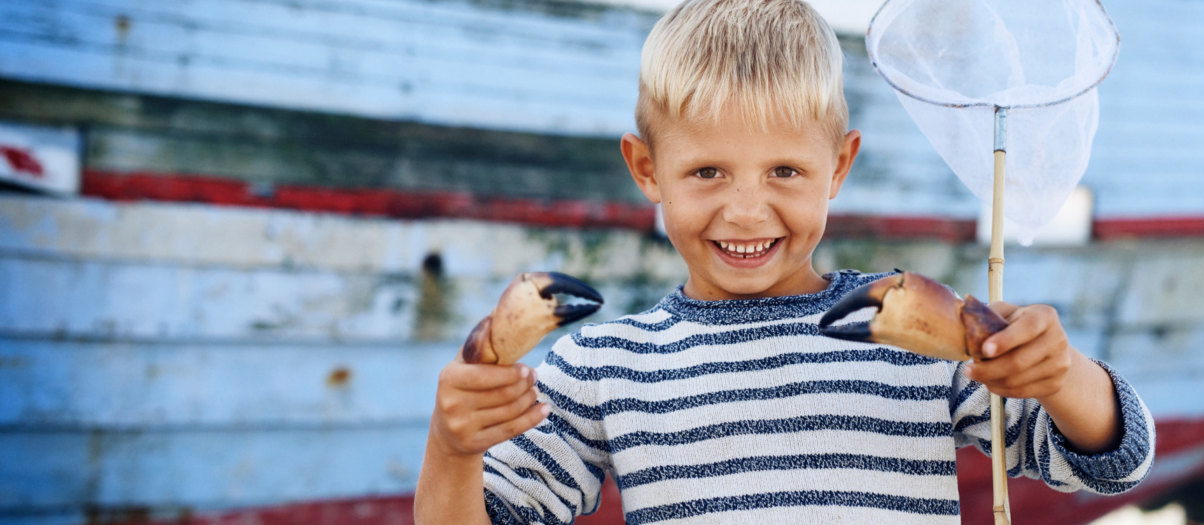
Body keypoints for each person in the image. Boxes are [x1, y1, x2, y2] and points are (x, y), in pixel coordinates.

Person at [415, 0, 1155, 523]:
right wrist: (452, 447)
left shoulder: (920, 337)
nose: (745, 210)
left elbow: (1110, 457)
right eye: (707, 172)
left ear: (839, 166)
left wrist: (1059, 375)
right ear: (646, 168)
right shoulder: (603, 365)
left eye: (785, 172)